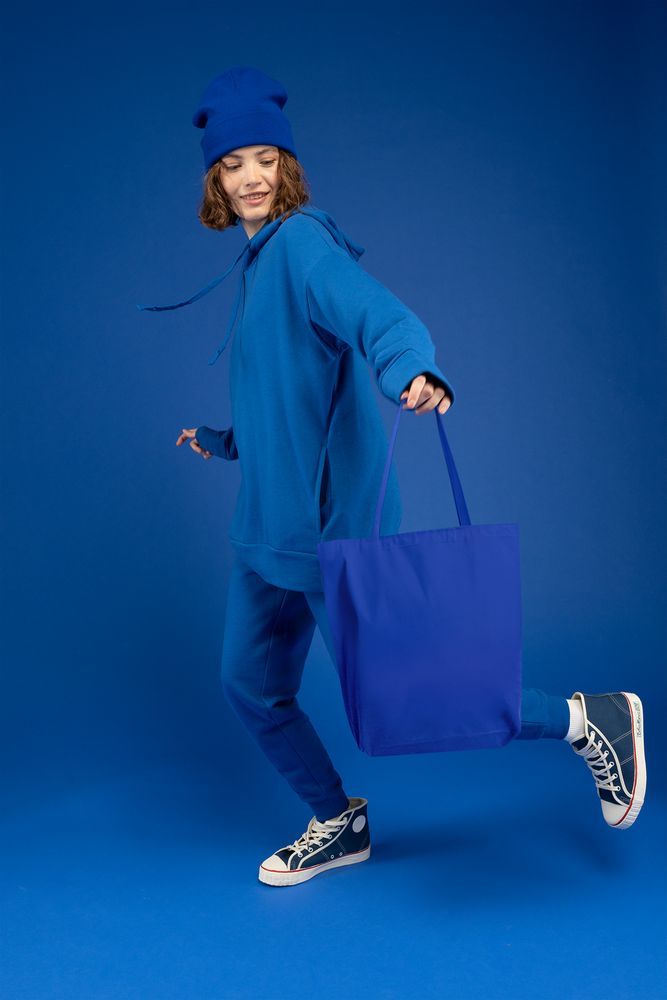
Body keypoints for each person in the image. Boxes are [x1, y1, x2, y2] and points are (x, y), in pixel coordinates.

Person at [138, 66, 647, 888]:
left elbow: (376, 313)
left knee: (417, 690)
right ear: (214, 180)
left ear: (286, 166)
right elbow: (285, 398)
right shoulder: (257, 263)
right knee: (249, 686)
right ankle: (337, 821)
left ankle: (593, 720)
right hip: (266, 527)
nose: (251, 177)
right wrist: (223, 441)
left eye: (265, 159)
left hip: (329, 527)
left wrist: (410, 366)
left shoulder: (301, 244)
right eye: (233, 164)